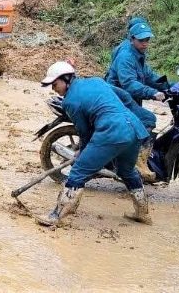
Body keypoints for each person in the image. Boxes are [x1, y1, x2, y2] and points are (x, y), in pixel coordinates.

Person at [40, 61, 152, 227]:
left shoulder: (70, 101)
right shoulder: (96, 81)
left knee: (78, 171)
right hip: (134, 129)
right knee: (126, 171)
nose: (54, 89)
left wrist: (82, 152)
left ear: (66, 79)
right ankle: (142, 213)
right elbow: (125, 97)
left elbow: (84, 132)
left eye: (55, 84)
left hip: (112, 132)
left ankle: (59, 215)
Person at [106, 19, 169, 181]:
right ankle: (138, 162)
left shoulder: (137, 54)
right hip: (118, 97)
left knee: (139, 120)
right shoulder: (126, 56)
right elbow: (129, 84)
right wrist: (153, 93)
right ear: (132, 38)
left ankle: (127, 154)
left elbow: (148, 75)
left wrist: (169, 86)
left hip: (126, 96)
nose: (145, 43)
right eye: (141, 40)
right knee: (147, 118)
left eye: (147, 39)